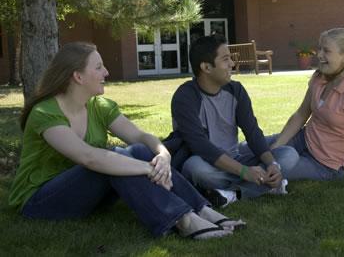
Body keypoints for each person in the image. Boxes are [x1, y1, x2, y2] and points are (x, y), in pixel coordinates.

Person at [8, 42, 245, 240]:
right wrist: (147, 168)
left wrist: (162, 155)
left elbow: (140, 136)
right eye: (99, 67)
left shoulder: (98, 106)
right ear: (78, 76)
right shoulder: (45, 113)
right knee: (115, 157)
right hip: (40, 201)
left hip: (87, 194)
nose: (107, 72)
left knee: (140, 149)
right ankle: (183, 220)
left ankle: (202, 209)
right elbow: (88, 158)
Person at [171, 35, 298, 208]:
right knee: (195, 168)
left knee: (289, 155)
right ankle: (261, 187)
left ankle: (230, 194)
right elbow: (200, 146)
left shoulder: (236, 90)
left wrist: (272, 164)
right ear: (206, 67)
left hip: (236, 158)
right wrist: (244, 172)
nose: (232, 64)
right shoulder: (185, 97)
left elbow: (252, 132)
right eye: (225, 59)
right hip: (207, 162)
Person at [269, 28, 344, 185]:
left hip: (325, 165)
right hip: (303, 140)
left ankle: (231, 187)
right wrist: (276, 146)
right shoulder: (320, 77)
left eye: (326, 51)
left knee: (276, 167)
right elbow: (301, 115)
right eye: (320, 48)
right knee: (256, 148)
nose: (319, 54)